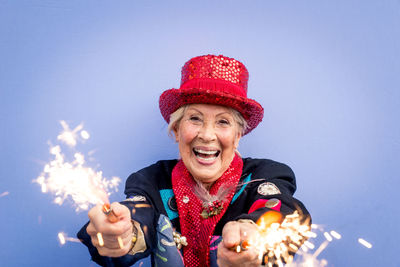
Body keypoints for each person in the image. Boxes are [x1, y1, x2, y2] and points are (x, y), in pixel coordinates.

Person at [77, 54, 310, 267]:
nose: (207, 135)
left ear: (238, 136)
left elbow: (281, 209)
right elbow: (139, 215)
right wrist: (123, 233)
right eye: (195, 119)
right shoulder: (150, 181)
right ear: (177, 129)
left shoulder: (267, 174)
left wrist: (253, 233)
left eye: (223, 122)